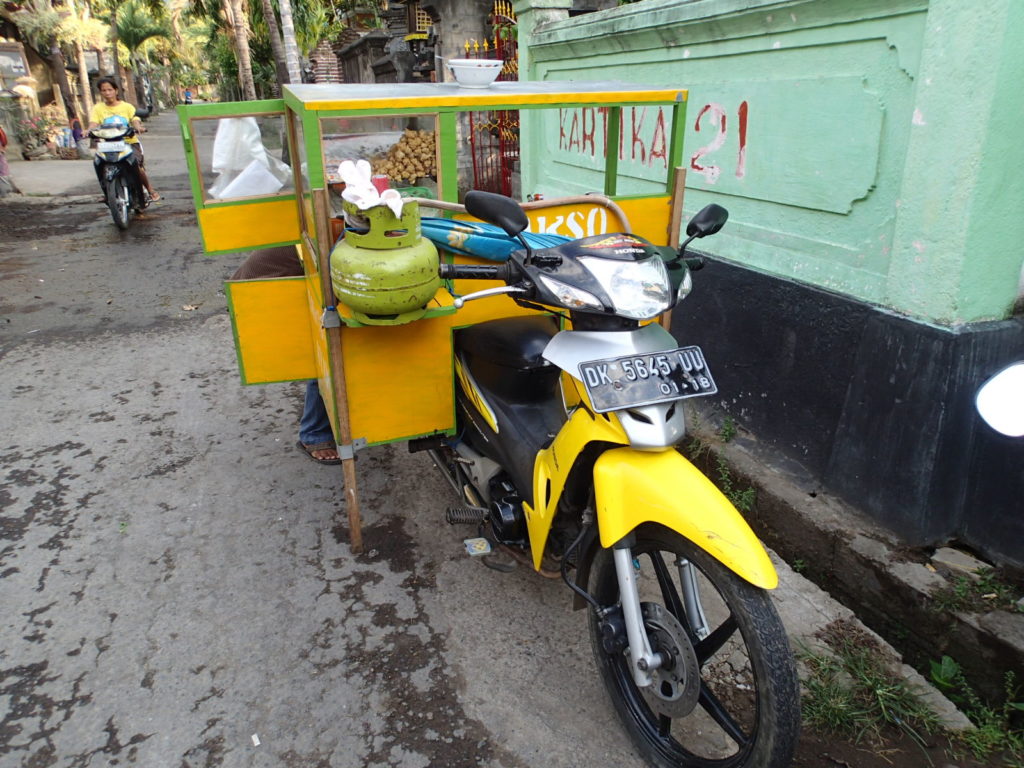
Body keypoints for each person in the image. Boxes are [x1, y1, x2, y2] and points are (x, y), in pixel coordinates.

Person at [231, 246, 341, 465]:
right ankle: (314, 436)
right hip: (260, 296)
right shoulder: (331, 238)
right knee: (321, 360)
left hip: (268, 290)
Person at [88, 77, 160, 202]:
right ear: (101, 92)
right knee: (98, 164)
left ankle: (150, 190)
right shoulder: (98, 108)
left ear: (116, 90)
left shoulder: (127, 107)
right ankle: (107, 192)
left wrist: (138, 127)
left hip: (128, 142)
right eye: (104, 90)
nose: (107, 93)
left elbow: (135, 119)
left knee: (136, 166)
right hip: (108, 144)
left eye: (110, 89)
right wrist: (87, 130)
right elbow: (93, 123)